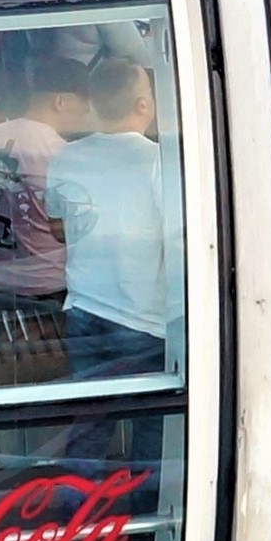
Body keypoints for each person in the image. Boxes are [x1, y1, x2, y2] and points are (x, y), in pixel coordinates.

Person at [0, 64, 89, 385]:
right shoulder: (58, 150)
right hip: (44, 290)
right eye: (83, 107)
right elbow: (73, 225)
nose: (84, 118)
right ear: (61, 101)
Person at [51, 57, 179, 385]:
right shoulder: (158, 161)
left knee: (90, 421)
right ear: (143, 104)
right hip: (142, 318)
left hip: (83, 306)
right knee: (150, 422)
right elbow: (178, 239)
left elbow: (56, 227)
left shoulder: (66, 155)